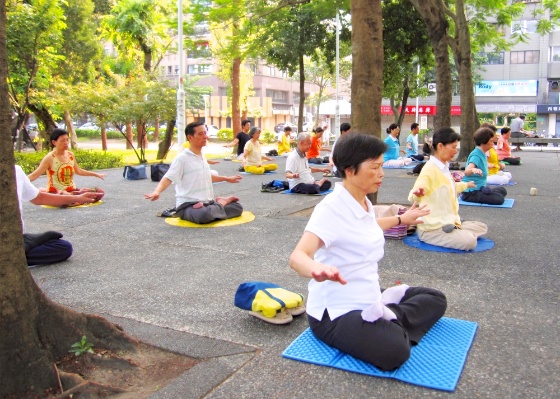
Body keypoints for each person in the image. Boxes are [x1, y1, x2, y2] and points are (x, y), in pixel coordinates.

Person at [289, 132, 446, 371]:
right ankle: (389, 320)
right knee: (395, 351)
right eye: (374, 167)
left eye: (382, 166)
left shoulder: (362, 201)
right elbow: (298, 256)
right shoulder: (331, 209)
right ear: (350, 170)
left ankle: (386, 315)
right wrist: (317, 269)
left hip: (367, 294)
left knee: (436, 299)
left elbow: (369, 226)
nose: (381, 173)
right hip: (336, 312)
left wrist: (403, 218)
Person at [145, 121, 243, 224]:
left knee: (237, 208)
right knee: (204, 215)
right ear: (190, 137)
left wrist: (227, 179)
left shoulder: (202, 155)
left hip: (207, 203)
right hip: (188, 205)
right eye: (200, 134)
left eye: (205, 133)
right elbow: (168, 177)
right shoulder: (182, 158)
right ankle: (221, 204)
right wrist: (157, 191)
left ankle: (217, 205)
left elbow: (207, 176)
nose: (205, 136)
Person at [408, 127, 488, 250]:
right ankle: (456, 233)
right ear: (441, 146)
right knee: (470, 242)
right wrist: (417, 193)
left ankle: (455, 230)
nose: (455, 151)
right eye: (453, 147)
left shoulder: (443, 166)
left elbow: (449, 187)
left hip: (448, 221)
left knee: (482, 227)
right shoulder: (429, 169)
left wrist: (466, 185)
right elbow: (414, 194)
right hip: (432, 229)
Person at [15, 165, 101, 267]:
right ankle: (16, 253)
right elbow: (36, 175)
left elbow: (39, 198)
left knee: (63, 247)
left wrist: (77, 198)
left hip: (14, 240)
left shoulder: (16, 170)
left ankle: (17, 252)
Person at [28, 129, 106, 193]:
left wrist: (95, 174)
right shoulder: (50, 158)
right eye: (62, 141)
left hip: (71, 190)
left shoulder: (70, 155)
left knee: (97, 193)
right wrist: (19, 182)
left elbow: (78, 171)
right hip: (56, 193)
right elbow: (35, 175)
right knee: (70, 200)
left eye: (67, 140)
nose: (66, 143)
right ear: (54, 142)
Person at [461, 127, 507, 205]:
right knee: (499, 199)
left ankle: (488, 193)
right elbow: (466, 171)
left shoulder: (482, 153)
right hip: (471, 193)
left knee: (502, 190)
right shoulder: (476, 155)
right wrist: (472, 170)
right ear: (483, 142)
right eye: (491, 141)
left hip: (480, 188)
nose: (493, 144)